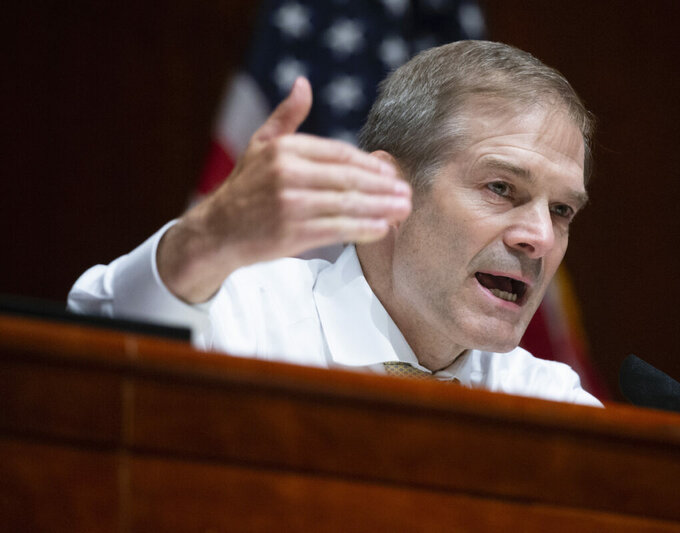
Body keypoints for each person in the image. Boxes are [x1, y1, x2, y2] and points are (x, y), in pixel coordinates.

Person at [69, 41, 601, 407]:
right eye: (501, 188)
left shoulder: (550, 406)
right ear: (388, 190)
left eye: (561, 210)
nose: (540, 238)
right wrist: (208, 237)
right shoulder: (242, 320)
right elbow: (91, 357)